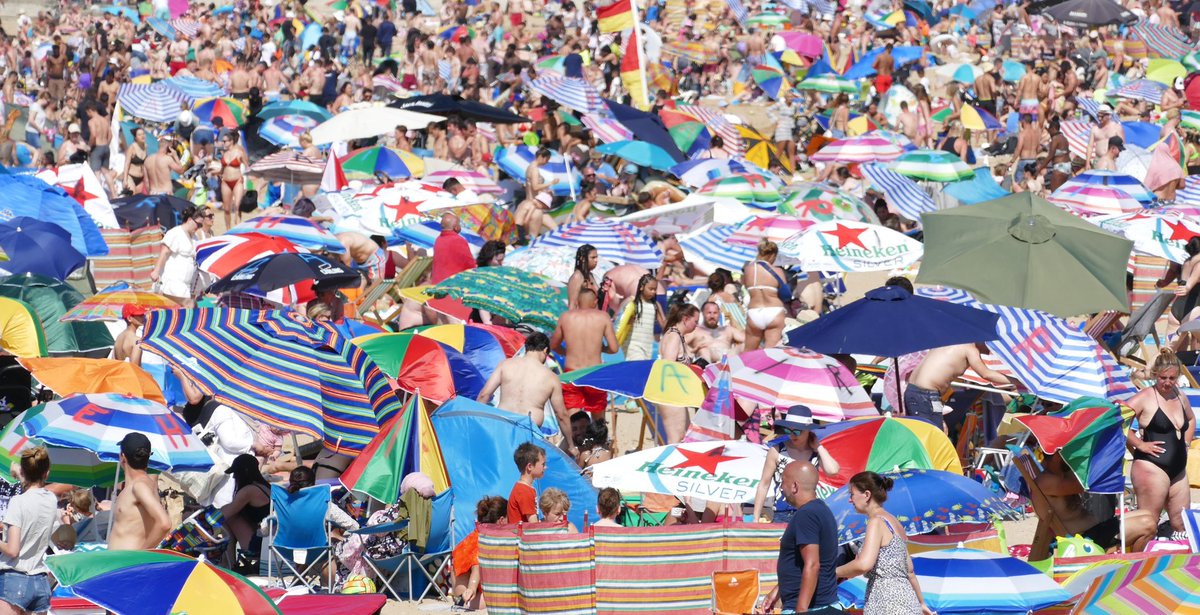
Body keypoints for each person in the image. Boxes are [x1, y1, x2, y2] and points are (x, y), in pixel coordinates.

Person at [835, 472, 931, 615]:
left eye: (852, 494)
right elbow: (909, 570)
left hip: (886, 602)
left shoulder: (876, 522)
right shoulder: (894, 522)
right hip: (908, 601)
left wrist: (832, 572)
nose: (850, 500)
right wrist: (921, 603)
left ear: (866, 495)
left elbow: (864, 564)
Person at [1127, 350, 1195, 537]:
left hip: (1178, 470)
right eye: (1163, 377)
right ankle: (1141, 562)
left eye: (1172, 378)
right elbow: (1118, 420)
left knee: (1182, 525)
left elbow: (1191, 419)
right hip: (1151, 467)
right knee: (1148, 523)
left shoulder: (1178, 395)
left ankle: (1174, 562)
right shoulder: (1145, 397)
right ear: (1155, 375)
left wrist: (1187, 443)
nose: (1167, 382)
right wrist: (1139, 445)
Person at [757, 461, 839, 614]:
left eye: (783, 482)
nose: (781, 488)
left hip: (813, 608)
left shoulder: (806, 515)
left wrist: (801, 610)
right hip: (822, 605)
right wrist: (778, 590)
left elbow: (813, 564)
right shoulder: (821, 510)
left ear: (794, 486)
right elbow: (801, 563)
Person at [1037, 452, 1158, 552]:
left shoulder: (1058, 474)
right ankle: (1134, 568)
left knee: (1147, 514)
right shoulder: (1047, 480)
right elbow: (1086, 485)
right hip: (1083, 539)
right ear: (1058, 455)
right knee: (1148, 524)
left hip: (1096, 529)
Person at [176, 372, 255, 507]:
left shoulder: (188, 416)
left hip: (214, 477)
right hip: (232, 476)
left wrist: (180, 375)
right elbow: (230, 442)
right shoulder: (218, 410)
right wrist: (254, 445)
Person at [476, 332, 571, 444]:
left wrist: (477, 424)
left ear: (526, 348)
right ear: (545, 350)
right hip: (529, 433)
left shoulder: (505, 365)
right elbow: (561, 414)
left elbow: (484, 395)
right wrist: (570, 444)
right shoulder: (551, 377)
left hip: (503, 427)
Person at [753, 405, 841, 523]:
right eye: (788, 430)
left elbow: (833, 471)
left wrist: (819, 447)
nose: (792, 435)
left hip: (809, 512)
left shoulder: (815, 452)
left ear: (808, 431)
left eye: (797, 431)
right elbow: (764, 484)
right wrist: (755, 517)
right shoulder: (777, 450)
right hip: (782, 512)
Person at [904, 343, 1012, 430]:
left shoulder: (951, 341)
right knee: (933, 438)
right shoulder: (970, 348)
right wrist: (1019, 381)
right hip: (925, 394)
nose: (992, 351)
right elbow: (986, 374)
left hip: (914, 391)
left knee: (929, 434)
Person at [0, 447, 55, 615]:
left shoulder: (18, 502)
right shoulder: (51, 499)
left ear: (23, 471)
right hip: (40, 581)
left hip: (15, 578)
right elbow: (34, 496)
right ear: (47, 473)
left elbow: (12, 550)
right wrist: (21, 474)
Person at [551, 288, 619, 418]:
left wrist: (566, 352)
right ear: (595, 302)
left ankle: (575, 438)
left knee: (573, 420)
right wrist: (601, 348)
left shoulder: (566, 317)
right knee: (598, 421)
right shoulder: (602, 317)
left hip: (572, 372)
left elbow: (553, 345)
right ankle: (598, 438)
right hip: (595, 373)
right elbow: (614, 348)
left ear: (577, 302)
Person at [108, 433, 172, 550]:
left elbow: (164, 523)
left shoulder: (139, 486)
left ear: (123, 457)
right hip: (121, 562)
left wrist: (141, 553)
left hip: (128, 563)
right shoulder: (140, 484)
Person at [452, 496, 507, 610]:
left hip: (460, 596)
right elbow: (477, 566)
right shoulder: (485, 539)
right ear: (501, 520)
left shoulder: (475, 534)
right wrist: (472, 588)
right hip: (468, 599)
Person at [658, 304, 701, 443]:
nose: (697, 325)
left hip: (675, 394)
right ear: (685, 319)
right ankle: (671, 465)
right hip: (671, 393)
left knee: (683, 436)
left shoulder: (676, 335)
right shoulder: (673, 336)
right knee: (676, 438)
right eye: (695, 321)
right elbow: (668, 366)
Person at [151, 205, 204, 306]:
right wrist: (156, 271)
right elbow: (164, 252)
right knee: (188, 306)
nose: (199, 228)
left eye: (201, 226)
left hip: (186, 286)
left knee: (187, 309)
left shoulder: (195, 238)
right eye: (198, 225)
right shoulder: (175, 233)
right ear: (189, 220)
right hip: (173, 283)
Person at [220, 454, 270, 559]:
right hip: (271, 540)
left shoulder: (249, 491)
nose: (234, 477)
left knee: (230, 518)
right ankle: (230, 563)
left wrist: (205, 512)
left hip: (262, 544)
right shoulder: (264, 486)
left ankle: (229, 563)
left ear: (245, 472)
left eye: (236, 473)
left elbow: (224, 514)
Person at [743, 239, 791, 350]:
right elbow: (786, 294)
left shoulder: (748, 270)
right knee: (771, 355)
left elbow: (746, 287)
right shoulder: (778, 271)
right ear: (773, 255)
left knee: (747, 353)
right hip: (774, 311)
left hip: (754, 311)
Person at [616, 273, 664, 361]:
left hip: (647, 345)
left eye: (655, 289)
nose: (653, 292)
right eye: (651, 289)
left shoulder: (655, 305)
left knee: (643, 369)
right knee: (636, 366)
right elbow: (620, 320)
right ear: (641, 287)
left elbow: (663, 323)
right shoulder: (633, 303)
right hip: (632, 344)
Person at [507, 443, 546, 524]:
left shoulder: (525, 488)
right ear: (530, 466)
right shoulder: (524, 491)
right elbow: (533, 526)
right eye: (543, 464)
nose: (545, 467)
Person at [218, 132, 247, 228]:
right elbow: (222, 169)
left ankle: (237, 227)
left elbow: (247, 167)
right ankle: (227, 229)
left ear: (231, 141)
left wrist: (245, 184)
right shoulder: (224, 153)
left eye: (225, 141)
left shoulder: (239, 152)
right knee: (226, 209)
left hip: (237, 181)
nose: (223, 143)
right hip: (225, 182)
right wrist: (217, 173)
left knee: (237, 206)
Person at [566, 244, 601, 310]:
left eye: (596, 257)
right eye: (593, 257)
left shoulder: (591, 275)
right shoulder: (577, 277)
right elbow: (572, 305)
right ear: (583, 259)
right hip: (582, 317)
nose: (596, 260)